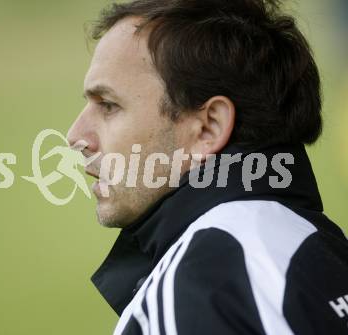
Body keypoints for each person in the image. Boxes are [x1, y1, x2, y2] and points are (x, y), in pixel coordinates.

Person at [66, 0, 348, 334]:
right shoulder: (324, 246)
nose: (76, 136)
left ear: (209, 127)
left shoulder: (196, 290)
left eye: (109, 105)